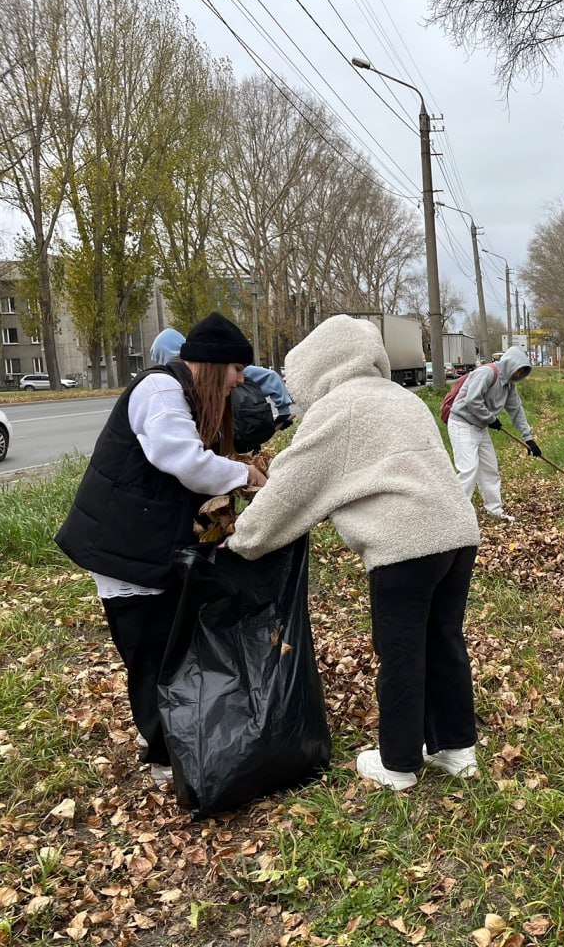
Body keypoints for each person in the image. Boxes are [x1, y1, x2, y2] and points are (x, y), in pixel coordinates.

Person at [228, 315, 482, 792]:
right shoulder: (402, 398)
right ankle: (456, 748)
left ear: (316, 368)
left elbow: (290, 488)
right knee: (444, 640)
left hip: (405, 545)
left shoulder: (339, 408)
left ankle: (399, 763)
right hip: (458, 534)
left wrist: (243, 539)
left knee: (401, 652)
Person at [56, 312, 266, 785]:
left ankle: (168, 732)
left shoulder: (186, 393)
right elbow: (182, 460)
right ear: (212, 364)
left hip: (148, 542)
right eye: (236, 370)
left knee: (167, 639)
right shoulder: (160, 392)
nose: (239, 381)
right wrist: (243, 476)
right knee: (146, 648)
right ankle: (162, 756)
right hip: (121, 545)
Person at [447, 344, 540, 523]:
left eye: (522, 372)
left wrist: (529, 438)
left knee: (490, 469)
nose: (519, 375)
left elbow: (516, 411)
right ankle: (458, 517)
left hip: (480, 427)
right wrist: (491, 419)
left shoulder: (509, 385)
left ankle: (494, 511)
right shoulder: (487, 373)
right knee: (469, 469)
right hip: (462, 423)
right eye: (518, 370)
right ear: (510, 364)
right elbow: (472, 400)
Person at [152, 328, 295, 438]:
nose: (240, 379)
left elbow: (269, 376)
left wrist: (283, 410)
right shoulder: (172, 383)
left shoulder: (216, 367)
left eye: (159, 357)